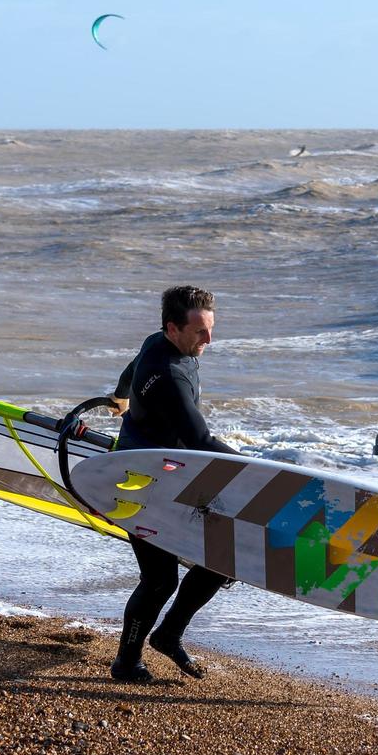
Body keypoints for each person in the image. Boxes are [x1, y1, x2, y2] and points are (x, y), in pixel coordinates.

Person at [106, 285, 239, 683]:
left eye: (211, 329)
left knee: (221, 561)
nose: (209, 340)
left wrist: (120, 398)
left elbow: (131, 372)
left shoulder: (158, 344)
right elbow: (200, 440)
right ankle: (126, 662)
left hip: (171, 473)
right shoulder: (169, 376)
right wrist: (252, 464)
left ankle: (167, 635)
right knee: (160, 578)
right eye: (200, 332)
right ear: (172, 328)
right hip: (142, 483)